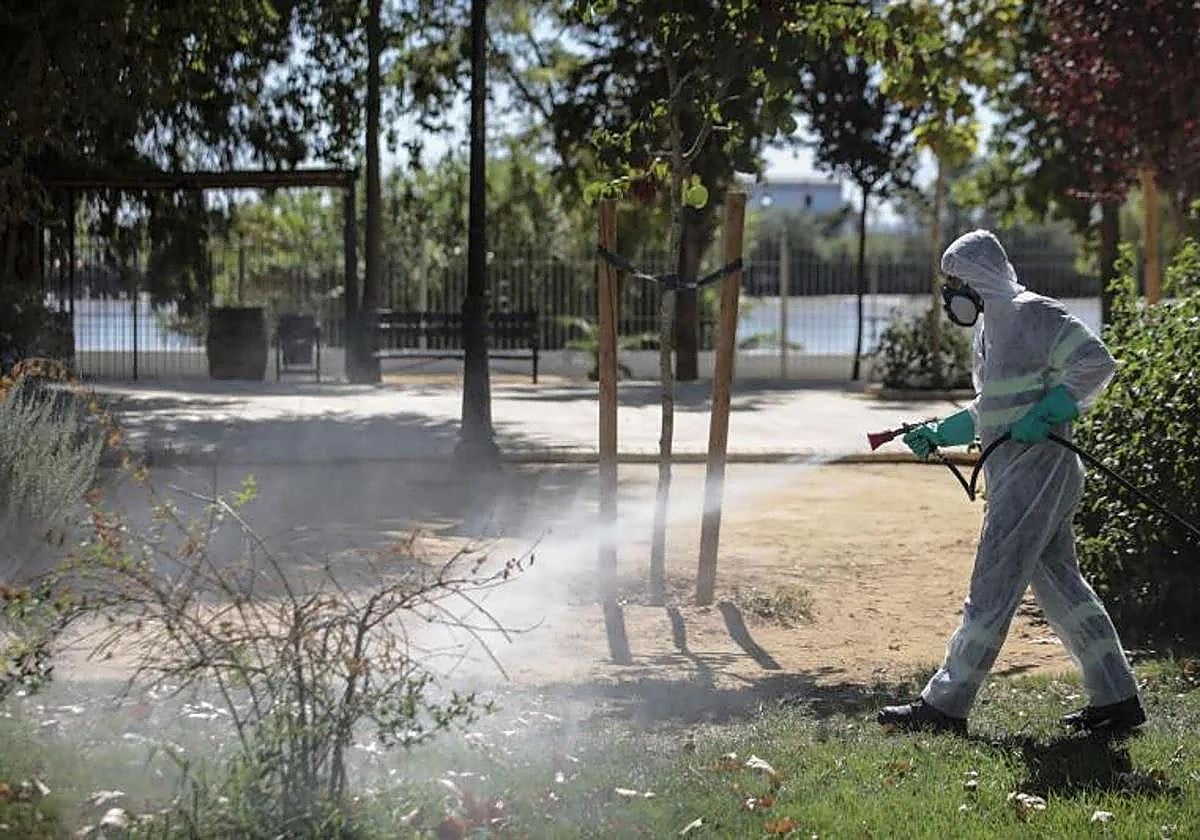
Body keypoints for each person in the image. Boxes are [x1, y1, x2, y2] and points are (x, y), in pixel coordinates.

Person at [877, 229, 1145, 737]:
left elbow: (1096, 362)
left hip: (1038, 472)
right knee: (1063, 587)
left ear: (978, 278)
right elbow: (990, 407)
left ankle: (944, 705)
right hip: (1020, 474)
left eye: (954, 281)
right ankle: (1117, 698)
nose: (949, 293)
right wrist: (939, 431)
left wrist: (1050, 412)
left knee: (992, 586)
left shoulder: (1034, 313)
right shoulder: (990, 330)